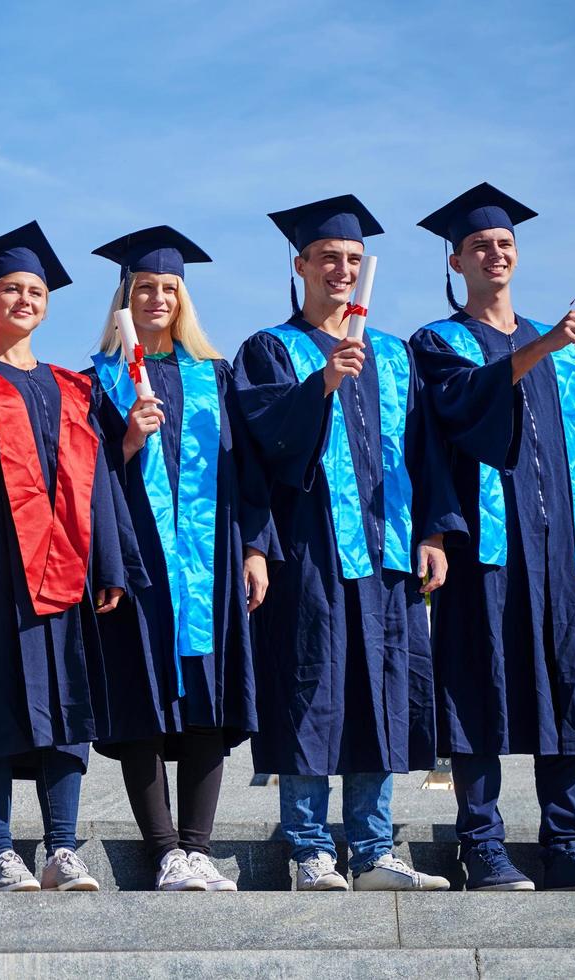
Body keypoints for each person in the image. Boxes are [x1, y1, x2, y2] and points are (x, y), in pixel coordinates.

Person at [234, 194, 461, 892]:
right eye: (327, 257)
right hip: (309, 555)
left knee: (382, 696)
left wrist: (432, 531)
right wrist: (321, 384)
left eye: (352, 259)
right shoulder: (271, 348)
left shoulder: (393, 354)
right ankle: (307, 848)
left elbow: (426, 453)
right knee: (310, 692)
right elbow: (261, 446)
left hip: (389, 560)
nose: (340, 268)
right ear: (299, 264)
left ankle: (371, 849)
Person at [408, 183, 575, 892]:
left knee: (568, 683)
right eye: (479, 245)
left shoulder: (560, 345)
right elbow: (462, 408)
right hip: (481, 548)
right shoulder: (438, 341)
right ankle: (480, 842)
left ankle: (564, 839)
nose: (494, 252)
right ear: (455, 261)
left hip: (558, 549)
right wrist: (547, 342)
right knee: (476, 683)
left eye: (504, 244)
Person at [0, 221, 136, 892]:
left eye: (34, 290)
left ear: (46, 304)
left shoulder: (75, 388)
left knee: (67, 697)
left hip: (67, 568)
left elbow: (101, 478)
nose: (23, 299)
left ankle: (60, 847)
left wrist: (109, 564)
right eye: (9, 290)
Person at [87, 226, 274, 892]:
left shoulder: (216, 376)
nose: (157, 297)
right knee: (141, 699)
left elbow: (249, 471)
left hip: (213, 564)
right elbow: (83, 480)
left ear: (182, 298)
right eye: (145, 288)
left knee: (209, 701)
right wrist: (126, 442)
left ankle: (197, 849)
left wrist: (255, 548)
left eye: (168, 288)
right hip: (138, 567)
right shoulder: (98, 381)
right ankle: (165, 850)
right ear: (125, 299)